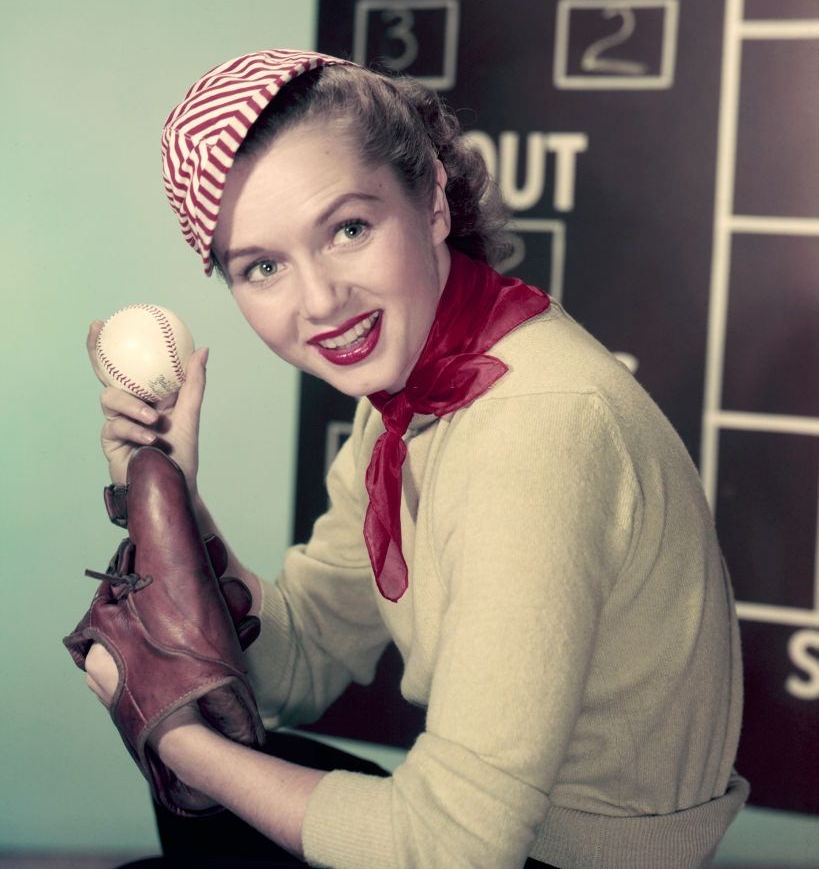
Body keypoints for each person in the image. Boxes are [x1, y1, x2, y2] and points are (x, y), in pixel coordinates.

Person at [83, 49, 749, 869]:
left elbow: (449, 849)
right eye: (263, 267)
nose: (321, 302)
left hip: (567, 858)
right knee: (219, 816)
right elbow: (302, 658)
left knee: (206, 812)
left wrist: (174, 742)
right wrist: (174, 513)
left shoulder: (535, 426)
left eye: (348, 230)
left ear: (432, 199)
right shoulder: (405, 403)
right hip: (513, 841)